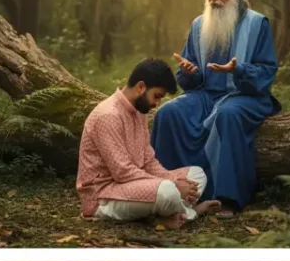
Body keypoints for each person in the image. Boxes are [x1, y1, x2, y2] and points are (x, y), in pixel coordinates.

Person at [151, 0, 281, 215]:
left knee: (227, 115)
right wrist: (190, 72)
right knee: (168, 113)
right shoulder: (199, 25)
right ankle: (166, 189)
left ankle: (225, 197)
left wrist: (238, 70)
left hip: (245, 96)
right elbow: (192, 78)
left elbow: (266, 71)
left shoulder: (257, 24)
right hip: (206, 95)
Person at [78, 58, 221, 228]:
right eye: (157, 96)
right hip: (103, 195)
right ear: (141, 87)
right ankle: (190, 212)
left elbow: (148, 161)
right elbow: (122, 172)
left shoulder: (139, 113)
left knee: (196, 174)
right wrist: (173, 185)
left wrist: (175, 179)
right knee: (167, 191)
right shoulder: (108, 115)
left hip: (132, 185)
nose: (157, 104)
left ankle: (173, 212)